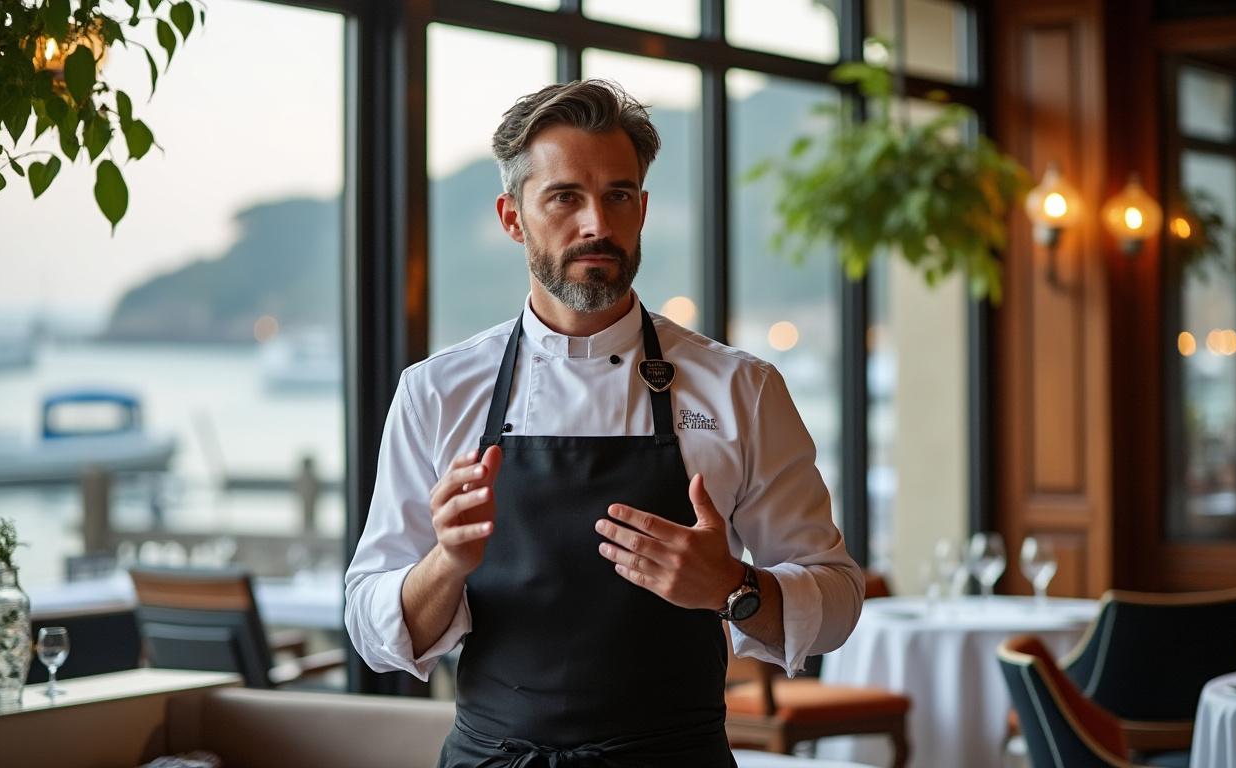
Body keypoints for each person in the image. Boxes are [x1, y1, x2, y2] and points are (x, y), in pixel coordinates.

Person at [345, 79, 864, 766]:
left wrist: (731, 587)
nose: (596, 223)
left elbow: (837, 598)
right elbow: (370, 624)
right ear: (512, 218)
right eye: (564, 197)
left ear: (641, 209)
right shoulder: (436, 392)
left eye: (618, 195)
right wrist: (448, 563)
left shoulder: (741, 388)